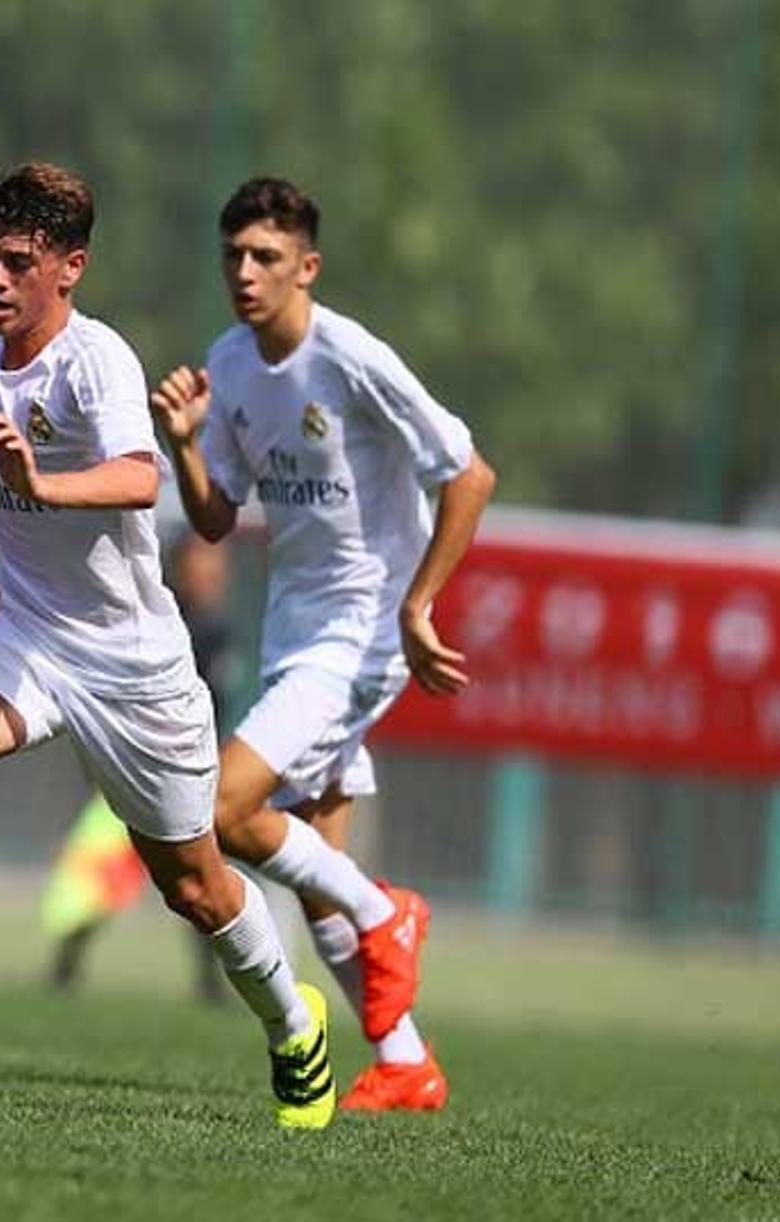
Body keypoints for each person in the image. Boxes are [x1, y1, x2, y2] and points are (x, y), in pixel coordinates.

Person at [0, 162, 337, 1129]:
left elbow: (140, 478)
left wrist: (38, 482)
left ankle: (291, 1024)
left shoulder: (95, 360)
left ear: (70, 267)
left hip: (135, 667)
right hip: (28, 636)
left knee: (195, 886)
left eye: (20, 263)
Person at [150, 176, 496, 1112]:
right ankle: (404, 1060)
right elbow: (216, 521)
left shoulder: (349, 357)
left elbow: (468, 474)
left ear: (307, 266)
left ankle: (390, 915)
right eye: (233, 255)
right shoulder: (229, 363)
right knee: (312, 867)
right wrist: (184, 443)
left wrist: (419, 606)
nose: (245, 272)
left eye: (266, 257)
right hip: (296, 630)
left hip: (364, 629)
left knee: (224, 808)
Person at [40, 535, 238, 996]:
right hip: (135, 768)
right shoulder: (158, 624)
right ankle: (66, 963)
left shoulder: (219, 630)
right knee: (102, 876)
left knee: (198, 880)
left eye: (216, 568)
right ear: (178, 569)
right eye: (202, 566)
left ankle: (211, 980)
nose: (211, 576)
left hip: (190, 777)